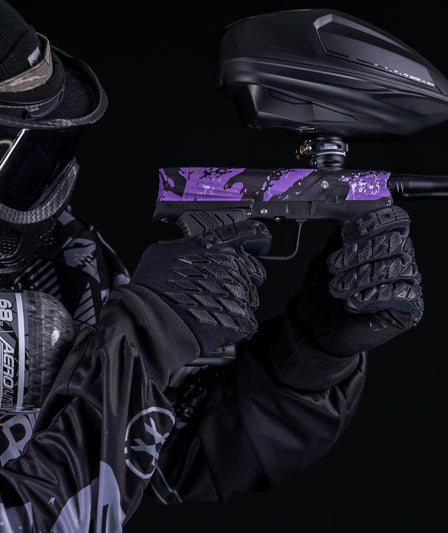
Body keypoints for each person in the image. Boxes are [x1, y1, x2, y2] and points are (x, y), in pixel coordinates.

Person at [0, 1, 423, 531]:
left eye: (38, 153)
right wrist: (145, 340)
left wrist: (312, 353)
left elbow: (169, 454)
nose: (28, 188)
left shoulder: (61, 258)